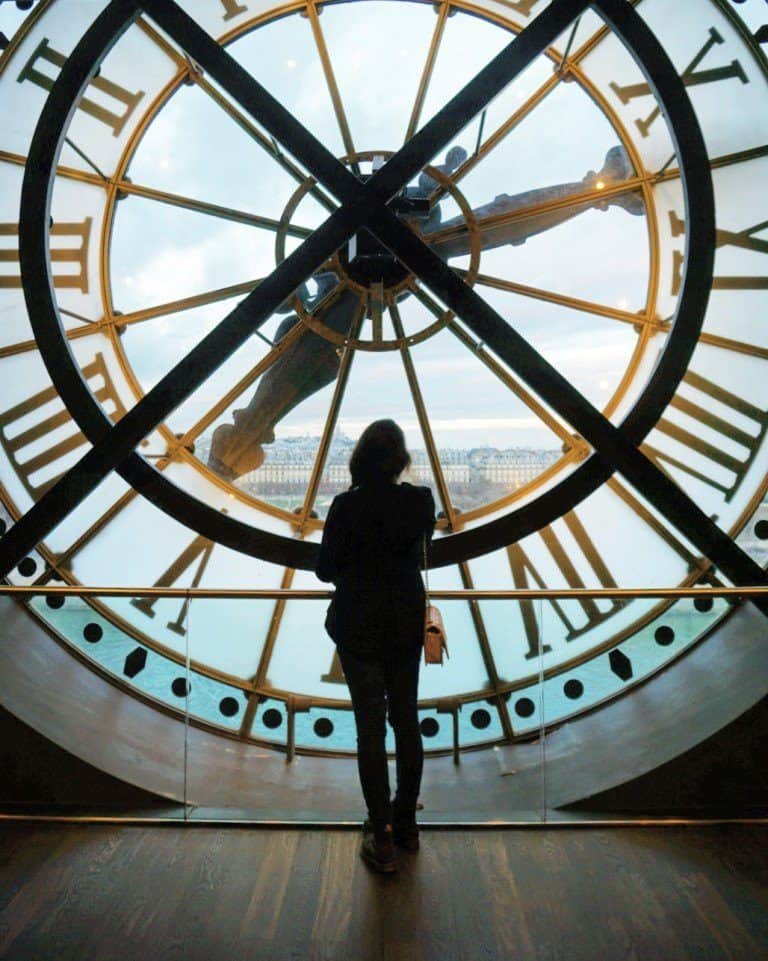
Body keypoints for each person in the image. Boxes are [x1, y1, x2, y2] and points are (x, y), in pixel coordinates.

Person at [316, 419, 436, 873]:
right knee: (406, 721)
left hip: (358, 627)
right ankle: (406, 823)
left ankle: (380, 829)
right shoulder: (420, 501)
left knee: (370, 729)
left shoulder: (345, 506)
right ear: (400, 461)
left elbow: (325, 569)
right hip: (405, 624)